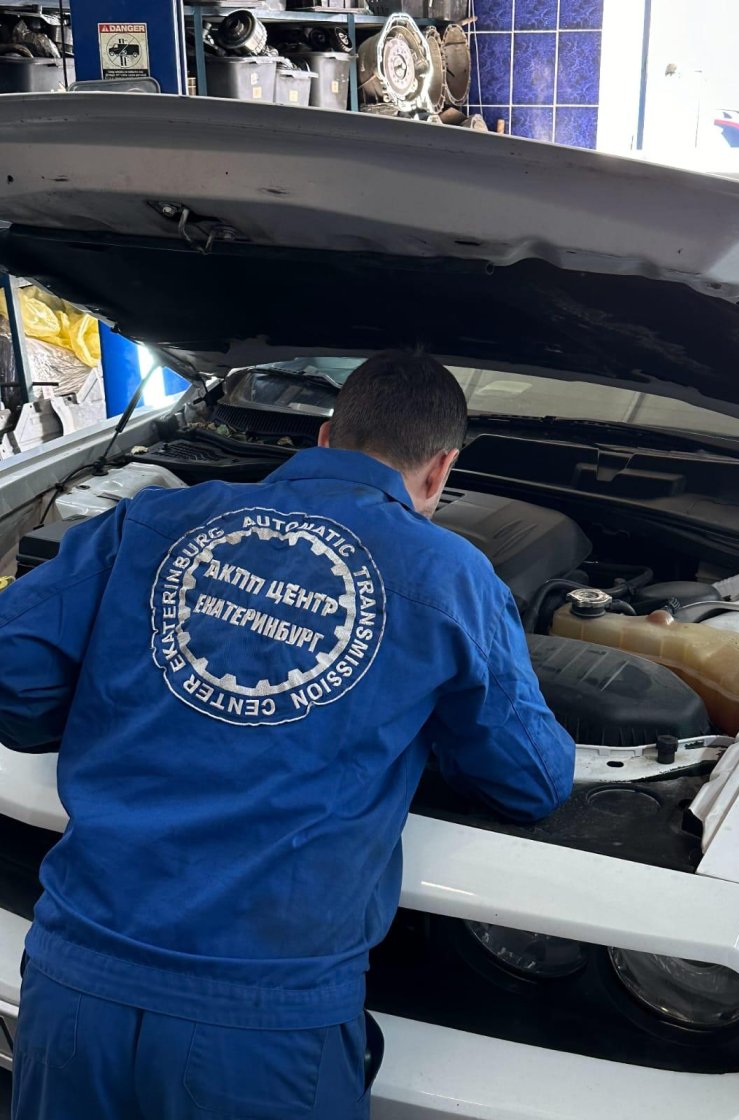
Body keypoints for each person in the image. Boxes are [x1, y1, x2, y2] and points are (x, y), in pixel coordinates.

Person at [3, 350, 574, 1120]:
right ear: (442, 469)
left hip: (74, 984)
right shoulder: (452, 576)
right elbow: (531, 779)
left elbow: (12, 669)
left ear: (324, 435)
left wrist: (116, 713)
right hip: (262, 1026)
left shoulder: (152, 519)